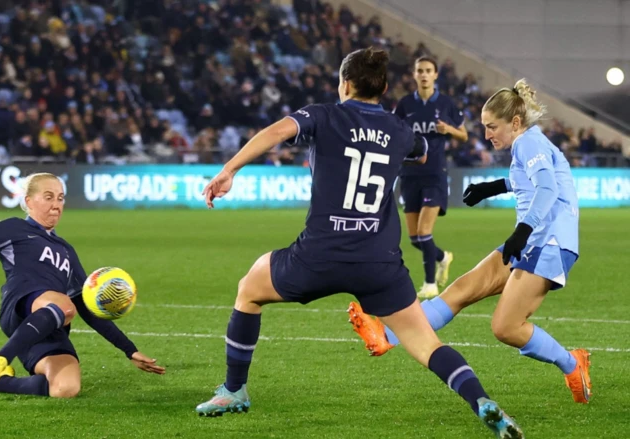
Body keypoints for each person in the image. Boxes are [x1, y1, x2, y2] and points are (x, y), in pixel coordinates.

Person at [195, 47, 523, 438]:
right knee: (425, 343)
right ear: (383, 88)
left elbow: (276, 133)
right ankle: (481, 401)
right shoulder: (399, 129)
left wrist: (229, 169)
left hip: (318, 255)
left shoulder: (323, 115)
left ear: (345, 83)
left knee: (249, 290)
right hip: (378, 262)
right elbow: (418, 154)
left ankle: (234, 390)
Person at [349, 79, 591, 405]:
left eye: (492, 127)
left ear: (515, 123)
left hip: (548, 243)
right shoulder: (529, 142)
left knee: (506, 327)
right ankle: (387, 336)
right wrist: (490, 188)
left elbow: (547, 189)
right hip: (534, 238)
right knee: (460, 291)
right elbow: (524, 180)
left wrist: (521, 231)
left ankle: (573, 363)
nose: (487, 134)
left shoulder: (527, 144)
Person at [0, 173, 165, 398]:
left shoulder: (66, 251)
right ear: (28, 201)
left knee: (65, 388)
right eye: (48, 197)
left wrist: (129, 349)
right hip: (21, 306)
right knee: (64, 304)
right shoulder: (14, 228)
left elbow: (87, 308)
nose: (56, 205)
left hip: (51, 326)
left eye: (60, 198)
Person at [393, 56, 468, 302]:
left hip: (434, 174)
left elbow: (464, 135)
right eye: (419, 71)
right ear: (414, 75)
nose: (424, 75)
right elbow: (395, 132)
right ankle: (442, 258)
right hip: (409, 174)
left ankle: (429, 284)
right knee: (415, 238)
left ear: (435, 75)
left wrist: (449, 130)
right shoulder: (405, 105)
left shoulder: (446, 103)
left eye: (428, 71)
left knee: (425, 232)